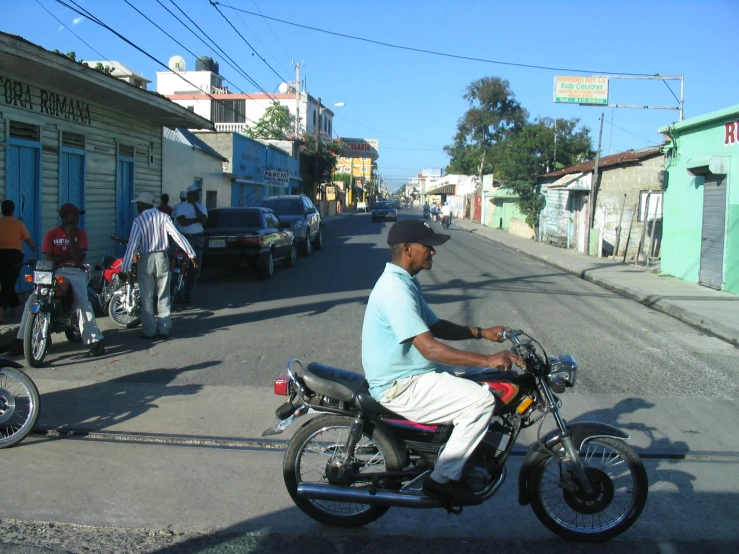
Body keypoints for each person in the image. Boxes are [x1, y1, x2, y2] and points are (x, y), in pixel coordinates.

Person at [361, 219, 524, 505]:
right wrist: (488, 358)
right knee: (480, 401)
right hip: (400, 384)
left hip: (412, 373)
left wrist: (482, 333)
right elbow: (430, 349)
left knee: (482, 380)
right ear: (409, 249)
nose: (433, 252)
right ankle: (441, 480)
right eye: (429, 246)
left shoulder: (405, 282)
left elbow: (435, 326)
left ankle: (453, 453)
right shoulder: (395, 291)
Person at [10, 203, 105, 357]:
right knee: (31, 300)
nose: (76, 218)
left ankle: (96, 341)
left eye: (77, 216)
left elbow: (79, 257)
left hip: (75, 271)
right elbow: (50, 258)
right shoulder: (52, 234)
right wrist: (69, 255)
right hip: (55, 271)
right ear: (64, 217)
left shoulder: (80, 234)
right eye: (73, 215)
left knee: (82, 303)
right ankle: (21, 341)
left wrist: (69, 237)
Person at [121, 192, 196, 339]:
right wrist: (191, 254)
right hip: (162, 257)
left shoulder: (139, 221)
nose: (137, 206)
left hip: (146, 259)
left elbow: (132, 245)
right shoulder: (164, 217)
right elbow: (177, 236)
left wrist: (124, 268)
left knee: (147, 295)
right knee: (163, 294)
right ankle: (164, 328)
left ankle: (149, 331)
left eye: (138, 204)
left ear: (143, 205)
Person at [0, 200, 37, 323]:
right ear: (13, 210)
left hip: (1, 255)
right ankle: (3, 313)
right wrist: (34, 248)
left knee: (6, 283)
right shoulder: (18, 224)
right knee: (8, 284)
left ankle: (15, 310)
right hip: (15, 257)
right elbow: (28, 240)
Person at [172, 184, 207, 303]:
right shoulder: (181, 207)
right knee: (177, 263)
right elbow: (182, 222)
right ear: (190, 194)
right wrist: (196, 220)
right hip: (184, 239)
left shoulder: (201, 207)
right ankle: (174, 288)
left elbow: (203, 220)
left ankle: (188, 293)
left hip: (197, 239)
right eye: (196, 192)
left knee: (195, 268)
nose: (199, 194)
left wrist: (194, 206)